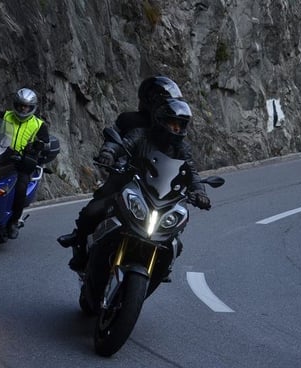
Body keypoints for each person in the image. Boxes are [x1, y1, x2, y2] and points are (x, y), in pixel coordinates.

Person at [58, 98, 211, 274]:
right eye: (173, 124)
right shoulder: (141, 135)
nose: (177, 129)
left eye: (180, 125)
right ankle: (80, 249)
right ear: (161, 120)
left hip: (162, 197)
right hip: (133, 187)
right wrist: (109, 152)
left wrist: (200, 192)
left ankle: (161, 269)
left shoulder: (182, 149)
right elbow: (122, 145)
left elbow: (191, 171)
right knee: (92, 212)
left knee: (175, 241)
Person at [0, 87, 59, 239]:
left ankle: (13, 222)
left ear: (32, 108)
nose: (23, 109)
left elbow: (45, 142)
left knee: (21, 188)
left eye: (26, 107)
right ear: (15, 105)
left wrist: (38, 147)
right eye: (20, 106)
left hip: (21, 163)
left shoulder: (38, 124)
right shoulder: (4, 116)